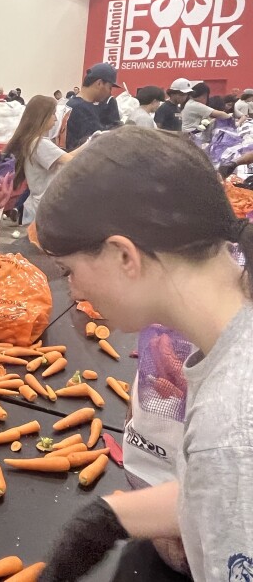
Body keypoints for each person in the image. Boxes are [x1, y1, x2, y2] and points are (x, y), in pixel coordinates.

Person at [35, 126, 253, 581]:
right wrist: (114, 518)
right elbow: (229, 489)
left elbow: (231, 466)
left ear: (123, 256)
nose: (74, 292)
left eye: (69, 271)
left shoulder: (230, 423)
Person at [3, 95, 83, 225]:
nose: (56, 118)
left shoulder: (34, 141)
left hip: (40, 207)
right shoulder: (40, 143)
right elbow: (71, 161)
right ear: (42, 117)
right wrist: (94, 144)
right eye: (53, 114)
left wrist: (90, 142)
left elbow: (65, 157)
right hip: (43, 209)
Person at [64, 63, 118, 151]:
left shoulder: (72, 103)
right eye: (109, 87)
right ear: (99, 83)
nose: (109, 92)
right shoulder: (81, 109)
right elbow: (96, 144)